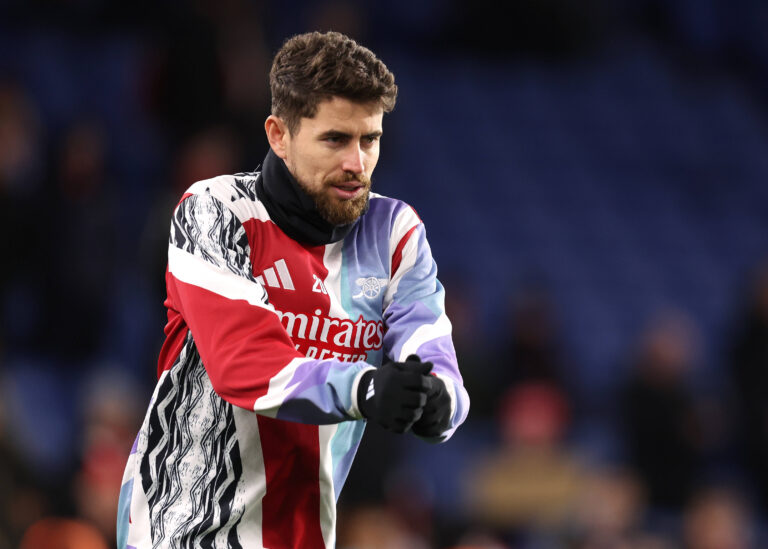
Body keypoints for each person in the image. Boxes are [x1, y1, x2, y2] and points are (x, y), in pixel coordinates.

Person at [117, 30, 470, 549]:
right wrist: (368, 390)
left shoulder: (395, 232)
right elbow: (246, 364)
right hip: (180, 528)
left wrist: (435, 400)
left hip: (300, 536)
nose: (357, 162)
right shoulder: (213, 210)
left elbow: (430, 344)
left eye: (368, 139)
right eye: (335, 139)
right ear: (278, 134)